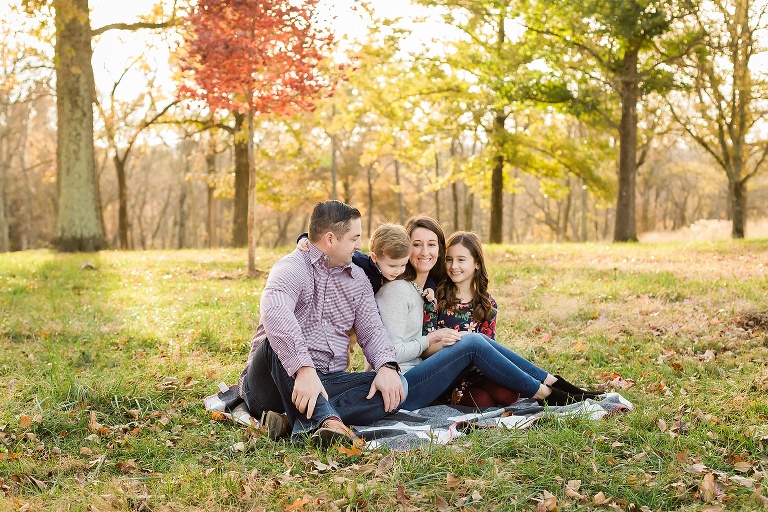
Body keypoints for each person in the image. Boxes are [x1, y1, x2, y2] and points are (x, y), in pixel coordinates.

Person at [375, 215, 600, 411]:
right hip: (399, 387)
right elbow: (389, 354)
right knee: (473, 341)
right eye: (416, 244)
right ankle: (548, 394)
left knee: (479, 345)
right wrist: (430, 340)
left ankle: (555, 384)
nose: (425, 252)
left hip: (421, 380)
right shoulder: (399, 290)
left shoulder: (424, 291)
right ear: (406, 247)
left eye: (431, 244)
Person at [237, 200, 407, 447]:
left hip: (327, 381)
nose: (359, 245)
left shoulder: (358, 279)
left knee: (397, 385)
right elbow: (275, 313)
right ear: (330, 239)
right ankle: (325, 420)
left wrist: (386, 366)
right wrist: (303, 369)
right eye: (354, 238)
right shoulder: (290, 268)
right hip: (271, 383)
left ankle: (288, 420)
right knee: (275, 339)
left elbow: (372, 329)